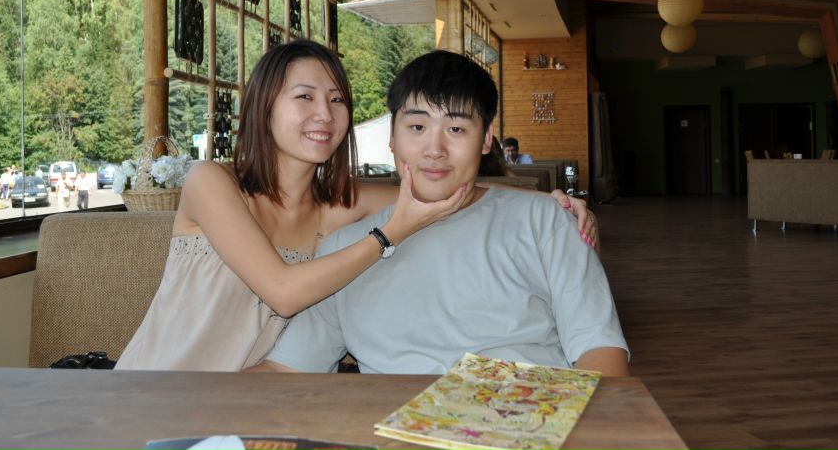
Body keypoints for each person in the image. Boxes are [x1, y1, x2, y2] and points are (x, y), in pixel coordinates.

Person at [116, 40, 595, 372]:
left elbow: (446, 189)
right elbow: (282, 292)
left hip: (257, 398)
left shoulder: (336, 207)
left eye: (336, 100)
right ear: (264, 106)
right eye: (304, 97)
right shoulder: (211, 181)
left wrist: (546, 200)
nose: (324, 114)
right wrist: (388, 235)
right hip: (160, 386)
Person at [255, 51, 628, 376]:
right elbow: (287, 368)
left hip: (526, 417)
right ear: (392, 137)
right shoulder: (345, 252)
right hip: (394, 427)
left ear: (486, 139)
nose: (435, 149)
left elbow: (600, 348)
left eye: (456, 129)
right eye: (417, 127)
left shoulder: (545, 221)